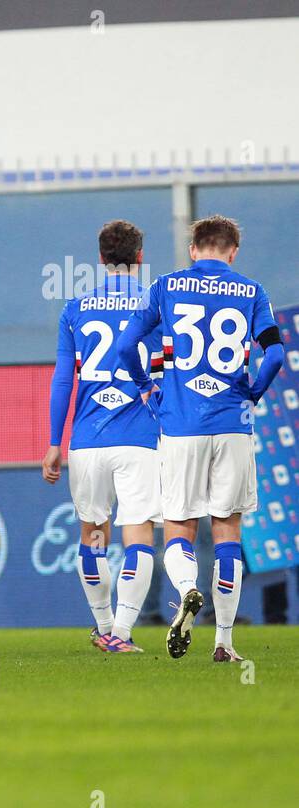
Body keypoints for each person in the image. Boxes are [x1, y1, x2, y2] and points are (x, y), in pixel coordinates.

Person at [117, 214, 283, 662]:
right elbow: (276, 354)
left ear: (194, 249)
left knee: (178, 528)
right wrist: (254, 390)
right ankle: (224, 643)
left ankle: (188, 590)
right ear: (233, 252)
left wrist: (147, 387)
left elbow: (125, 345)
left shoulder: (167, 287)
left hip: (180, 427)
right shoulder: (252, 291)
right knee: (227, 531)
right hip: (232, 426)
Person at [41, 220, 162, 653]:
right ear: (141, 257)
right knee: (139, 534)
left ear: (100, 259)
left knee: (93, 534)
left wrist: (55, 443)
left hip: (87, 441)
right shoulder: (157, 305)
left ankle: (104, 626)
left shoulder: (75, 308)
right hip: (140, 438)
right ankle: (123, 632)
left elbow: (62, 380)